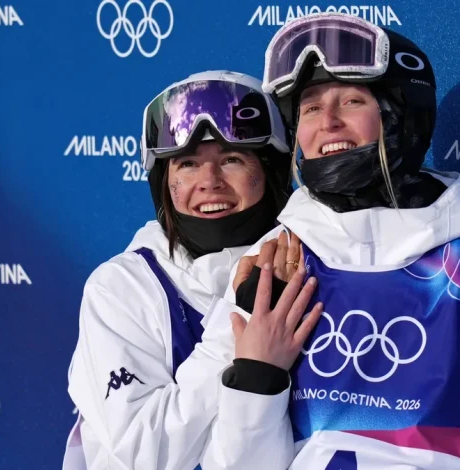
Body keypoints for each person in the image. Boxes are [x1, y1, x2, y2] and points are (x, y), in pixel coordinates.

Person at [219, 12, 460, 469]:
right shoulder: (273, 259)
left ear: (400, 117)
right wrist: (255, 375)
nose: (327, 122)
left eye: (351, 100)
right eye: (309, 107)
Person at [61, 70, 319, 470]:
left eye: (232, 160)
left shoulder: (308, 267)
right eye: (187, 164)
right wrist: (240, 321)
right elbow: (148, 452)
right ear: (164, 182)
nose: (209, 182)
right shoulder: (122, 288)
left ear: (270, 173)